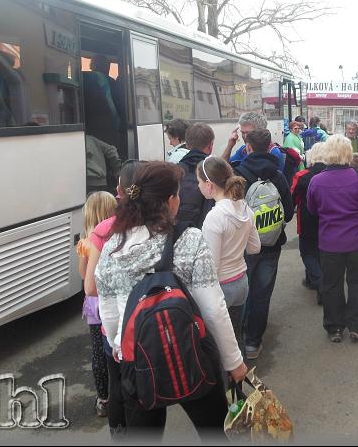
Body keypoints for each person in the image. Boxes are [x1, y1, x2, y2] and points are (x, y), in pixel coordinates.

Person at [94, 161, 247, 439]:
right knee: (215, 431)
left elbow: (107, 306)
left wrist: (118, 342)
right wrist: (234, 361)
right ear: (168, 201)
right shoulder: (189, 239)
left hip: (137, 359)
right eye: (177, 194)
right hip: (191, 351)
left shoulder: (111, 247)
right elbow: (213, 309)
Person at [84, 159, 146, 437]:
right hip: (147, 327)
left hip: (116, 328)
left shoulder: (103, 230)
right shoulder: (162, 226)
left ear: (119, 190)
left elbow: (90, 287)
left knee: (117, 385)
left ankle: (119, 434)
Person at [233, 129, 294, 359]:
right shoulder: (278, 176)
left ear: (247, 147)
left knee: (241, 295)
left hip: (243, 248)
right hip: (271, 245)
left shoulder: (237, 175)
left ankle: (237, 342)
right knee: (261, 294)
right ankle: (252, 343)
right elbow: (288, 213)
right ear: (270, 148)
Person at [307, 135, 358, 343]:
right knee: (357, 282)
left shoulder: (316, 180)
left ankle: (334, 327)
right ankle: (357, 325)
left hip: (329, 242)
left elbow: (312, 209)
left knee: (332, 285)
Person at [198, 156, 261, 352]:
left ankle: (225, 381)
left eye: (198, 182)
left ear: (209, 185)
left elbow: (212, 266)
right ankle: (239, 380)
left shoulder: (214, 217)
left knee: (219, 344)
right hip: (241, 283)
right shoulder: (245, 208)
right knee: (235, 336)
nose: (198, 186)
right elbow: (254, 248)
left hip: (221, 288)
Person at [76, 191, 117, 419]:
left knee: (99, 353)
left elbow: (84, 275)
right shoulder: (118, 236)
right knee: (114, 347)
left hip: (95, 305)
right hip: (115, 300)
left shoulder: (85, 242)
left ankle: (104, 398)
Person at [291, 142, 327, 304]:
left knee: (308, 253)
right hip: (328, 221)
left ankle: (320, 284)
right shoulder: (332, 173)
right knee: (321, 254)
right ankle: (313, 280)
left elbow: (292, 198)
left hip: (307, 221)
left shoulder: (302, 176)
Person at [177, 123, 216, 229]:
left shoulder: (175, 170)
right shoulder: (214, 172)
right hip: (205, 232)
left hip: (178, 232)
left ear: (187, 145)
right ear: (210, 145)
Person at [83, 54, 123, 150]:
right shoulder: (109, 81)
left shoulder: (85, 78)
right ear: (105, 66)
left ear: (92, 65)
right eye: (107, 65)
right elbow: (113, 105)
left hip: (91, 127)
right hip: (108, 125)